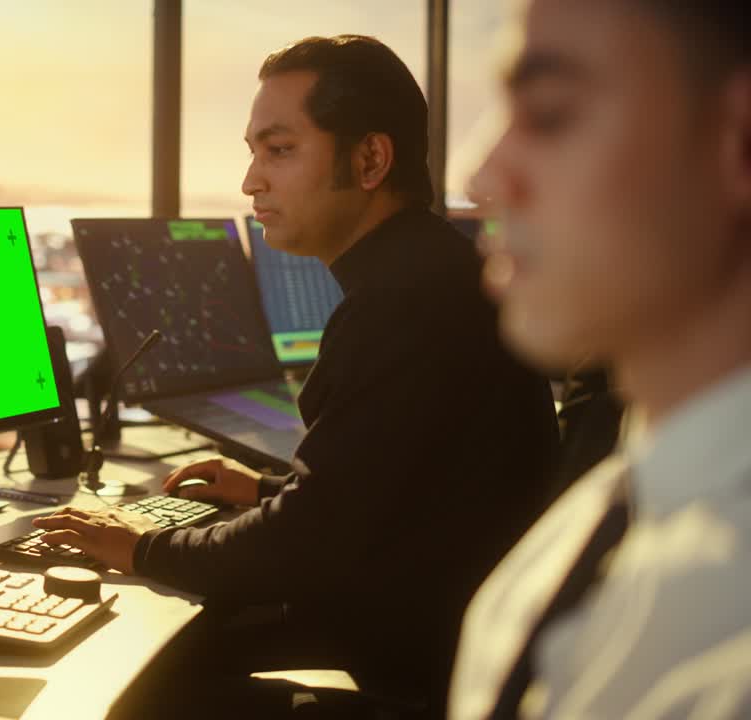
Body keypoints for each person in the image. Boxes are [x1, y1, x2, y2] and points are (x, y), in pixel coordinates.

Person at [34, 35, 561, 717]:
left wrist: (141, 548)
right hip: (437, 643)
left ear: (370, 159)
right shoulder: (433, 274)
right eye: (253, 152)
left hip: (431, 682)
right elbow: (392, 491)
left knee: (137, 697)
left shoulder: (403, 303)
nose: (252, 180)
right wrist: (266, 488)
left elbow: (304, 547)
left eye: (279, 150)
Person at [448, 1, 751, 718]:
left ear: (740, 142)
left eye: (550, 113)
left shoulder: (723, 653)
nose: (481, 173)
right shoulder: (607, 514)